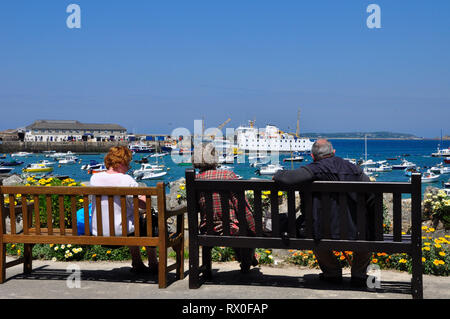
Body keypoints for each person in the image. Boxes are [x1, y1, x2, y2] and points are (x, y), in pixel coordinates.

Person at [273, 139, 372, 287]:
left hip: (322, 232)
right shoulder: (355, 170)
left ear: (313, 156)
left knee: (312, 230)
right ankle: (358, 274)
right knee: (366, 230)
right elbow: (371, 198)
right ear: (333, 152)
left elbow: (288, 178)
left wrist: (278, 174)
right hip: (356, 230)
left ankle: (332, 273)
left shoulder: (314, 169)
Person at [90, 146, 158, 274]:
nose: (129, 166)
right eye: (128, 163)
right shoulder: (126, 180)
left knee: (131, 219)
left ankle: (137, 262)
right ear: (121, 162)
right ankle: (153, 263)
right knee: (149, 219)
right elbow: (144, 205)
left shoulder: (94, 179)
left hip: (98, 230)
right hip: (120, 231)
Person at [193, 143, 258, 273]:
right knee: (244, 229)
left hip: (207, 229)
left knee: (237, 229)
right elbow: (242, 207)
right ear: (214, 157)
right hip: (232, 228)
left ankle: (206, 270)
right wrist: (255, 227)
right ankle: (246, 263)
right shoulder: (228, 176)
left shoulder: (196, 179)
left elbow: (195, 208)